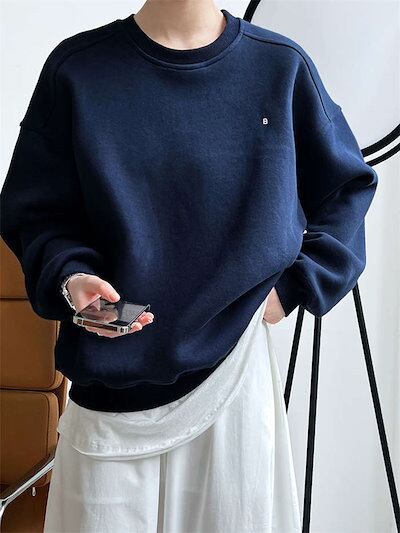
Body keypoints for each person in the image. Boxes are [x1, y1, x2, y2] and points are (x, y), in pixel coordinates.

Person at [0, 1, 378, 531]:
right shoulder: (77, 70)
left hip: (234, 383)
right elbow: (35, 215)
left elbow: (348, 187)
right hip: (112, 392)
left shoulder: (280, 67)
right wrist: (71, 277)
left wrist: (295, 286)